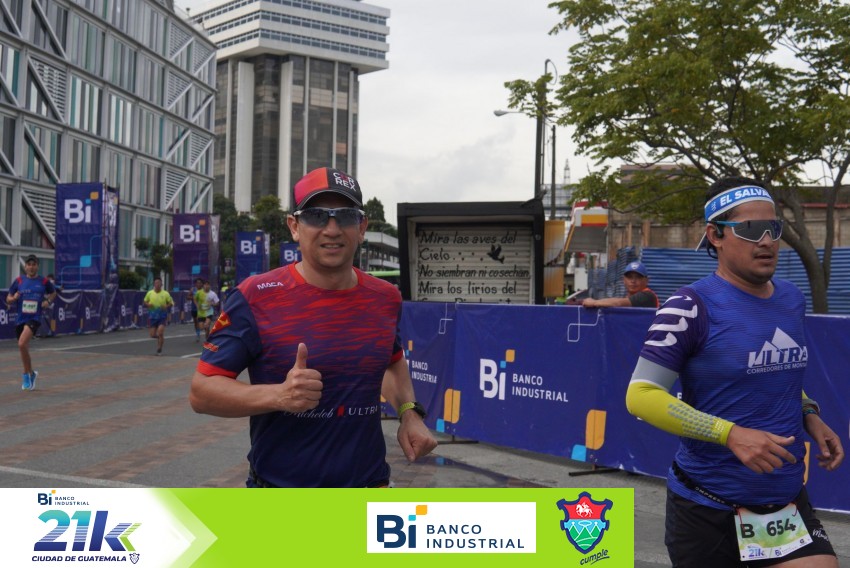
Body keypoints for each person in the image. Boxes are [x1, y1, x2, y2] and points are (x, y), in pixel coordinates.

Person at [625, 177, 844, 567]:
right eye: (750, 229)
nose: (766, 240)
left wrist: (810, 414)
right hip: (707, 507)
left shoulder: (791, 298)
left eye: (773, 227)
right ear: (716, 235)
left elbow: (774, 375)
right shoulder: (689, 305)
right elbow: (640, 395)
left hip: (784, 503)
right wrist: (730, 434)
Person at [189, 167, 437, 487]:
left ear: (361, 227)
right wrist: (279, 395)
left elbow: (391, 361)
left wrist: (409, 412)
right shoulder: (255, 296)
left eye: (345, 216)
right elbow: (202, 392)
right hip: (281, 497)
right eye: (316, 216)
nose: (332, 229)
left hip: (370, 488)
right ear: (295, 227)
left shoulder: (385, 297)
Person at [6, 254, 56, 390]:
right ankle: (32, 373)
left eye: (34, 265)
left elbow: (53, 293)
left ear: (37, 266)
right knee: (23, 348)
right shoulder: (19, 281)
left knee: (22, 343)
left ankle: (25, 375)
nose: (31, 267)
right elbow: (8, 299)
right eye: (29, 264)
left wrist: (48, 302)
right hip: (20, 319)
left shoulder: (44, 281)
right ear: (25, 266)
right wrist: (14, 298)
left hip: (34, 318)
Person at [582, 261, 659, 308]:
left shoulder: (647, 296)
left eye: (638, 277)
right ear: (624, 280)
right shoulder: (628, 296)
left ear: (647, 281)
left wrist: (594, 302)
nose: (633, 281)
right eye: (629, 277)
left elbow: (618, 303)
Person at [143, 276, 174, 356]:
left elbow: (171, 303)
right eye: (156, 283)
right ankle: (161, 338)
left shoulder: (165, 293)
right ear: (154, 284)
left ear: (161, 284)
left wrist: (166, 306)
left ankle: (159, 349)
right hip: (152, 316)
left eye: (159, 283)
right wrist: (148, 304)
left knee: (160, 332)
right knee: (152, 335)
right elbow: (145, 301)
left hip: (162, 316)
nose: (157, 284)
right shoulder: (150, 293)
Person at [190, 277, 203, 341]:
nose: (199, 284)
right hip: (194, 308)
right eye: (197, 283)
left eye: (200, 283)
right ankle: (198, 333)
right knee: (195, 321)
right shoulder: (193, 289)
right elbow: (188, 297)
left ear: (202, 284)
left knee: (198, 321)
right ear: (195, 284)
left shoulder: (204, 290)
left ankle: (201, 331)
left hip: (201, 309)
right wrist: (193, 297)